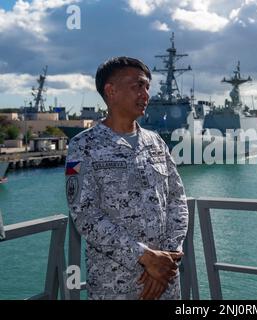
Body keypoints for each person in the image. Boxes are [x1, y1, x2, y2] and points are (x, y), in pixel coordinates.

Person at [65, 56, 189, 300]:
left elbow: (178, 200)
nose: (145, 94)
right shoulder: (82, 146)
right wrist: (144, 256)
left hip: (165, 282)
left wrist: (168, 257)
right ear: (111, 91)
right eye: (137, 86)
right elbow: (84, 214)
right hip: (114, 287)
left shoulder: (156, 143)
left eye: (147, 87)